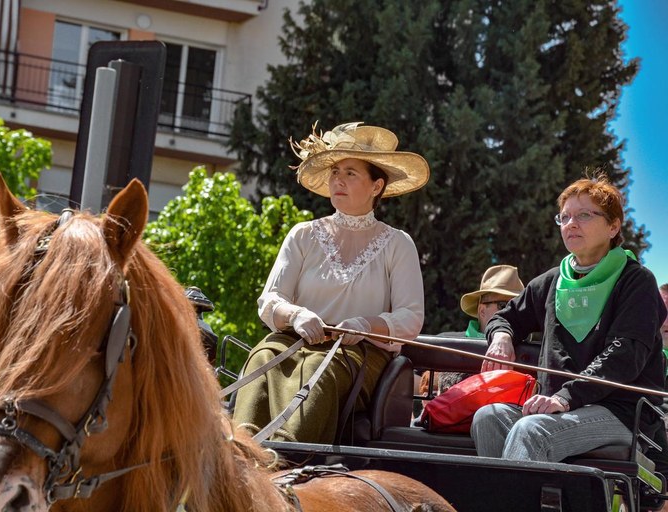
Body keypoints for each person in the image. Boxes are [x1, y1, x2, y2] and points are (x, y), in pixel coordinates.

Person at [232, 122, 429, 443]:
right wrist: (296, 316)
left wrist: (364, 325)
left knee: (316, 372)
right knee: (262, 358)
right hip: (293, 341)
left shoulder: (398, 243)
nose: (338, 179)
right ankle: (241, 452)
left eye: (351, 173)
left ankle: (287, 457)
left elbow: (410, 318)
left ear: (376, 186)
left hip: (357, 353)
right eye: (335, 171)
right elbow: (270, 300)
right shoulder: (303, 235)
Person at [471, 175, 668, 462]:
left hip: (622, 414)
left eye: (584, 215)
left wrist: (565, 397)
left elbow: (624, 355)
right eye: (564, 217)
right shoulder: (552, 281)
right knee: (488, 416)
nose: (571, 223)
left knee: (532, 430)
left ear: (613, 226)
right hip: (559, 408)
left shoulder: (637, 281)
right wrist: (502, 336)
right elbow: (505, 317)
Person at [419, 265, 526, 397]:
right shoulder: (448, 343)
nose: (512, 312)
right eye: (504, 306)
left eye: (518, 307)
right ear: (482, 310)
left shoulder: (529, 350)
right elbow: (415, 378)